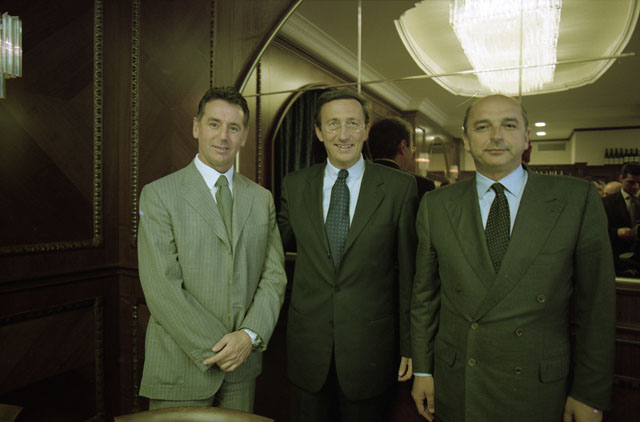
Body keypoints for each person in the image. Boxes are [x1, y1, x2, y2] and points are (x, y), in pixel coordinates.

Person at [410, 94, 615, 422]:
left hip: (537, 386)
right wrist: (423, 370)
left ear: (526, 137)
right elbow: (424, 297)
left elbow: (596, 307)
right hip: (459, 383)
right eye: (482, 127)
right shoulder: (436, 205)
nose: (496, 136)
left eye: (509, 125)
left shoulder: (575, 199)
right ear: (466, 139)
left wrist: (589, 394)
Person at [137, 86, 287, 412]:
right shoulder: (159, 195)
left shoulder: (261, 199)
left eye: (233, 128)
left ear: (244, 136)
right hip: (179, 368)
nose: (223, 136)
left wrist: (248, 337)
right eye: (214, 124)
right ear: (196, 127)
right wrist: (222, 349)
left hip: (242, 370)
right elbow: (162, 287)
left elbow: (274, 277)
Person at [278, 89, 418, 422]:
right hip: (307, 350)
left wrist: (410, 346)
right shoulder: (294, 185)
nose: (343, 134)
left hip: (370, 353)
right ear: (319, 132)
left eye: (353, 124)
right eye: (333, 124)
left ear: (366, 129)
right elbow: (270, 253)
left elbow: (410, 275)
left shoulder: (399, 188)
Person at [368, 116, 436, 198]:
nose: (412, 154)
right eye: (412, 148)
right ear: (403, 147)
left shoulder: (359, 179)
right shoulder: (420, 185)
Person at [602, 163, 640, 273]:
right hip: (617, 260)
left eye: (639, 183)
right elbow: (598, 230)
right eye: (631, 182)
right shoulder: (607, 203)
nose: (636, 187)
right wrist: (617, 233)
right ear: (621, 179)